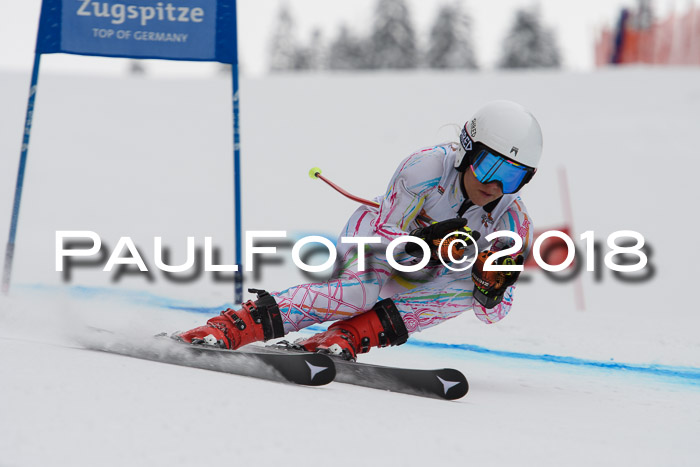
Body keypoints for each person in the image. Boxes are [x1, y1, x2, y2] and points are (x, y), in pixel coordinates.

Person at [176, 100, 541, 361]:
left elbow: (491, 315)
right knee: (359, 294)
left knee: (463, 291)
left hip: (428, 269)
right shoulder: (426, 168)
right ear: (466, 149)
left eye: (514, 176)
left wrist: (490, 288)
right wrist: (424, 244)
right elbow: (385, 231)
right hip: (378, 235)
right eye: (490, 165)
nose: (496, 185)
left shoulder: (513, 222)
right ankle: (237, 325)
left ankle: (346, 336)